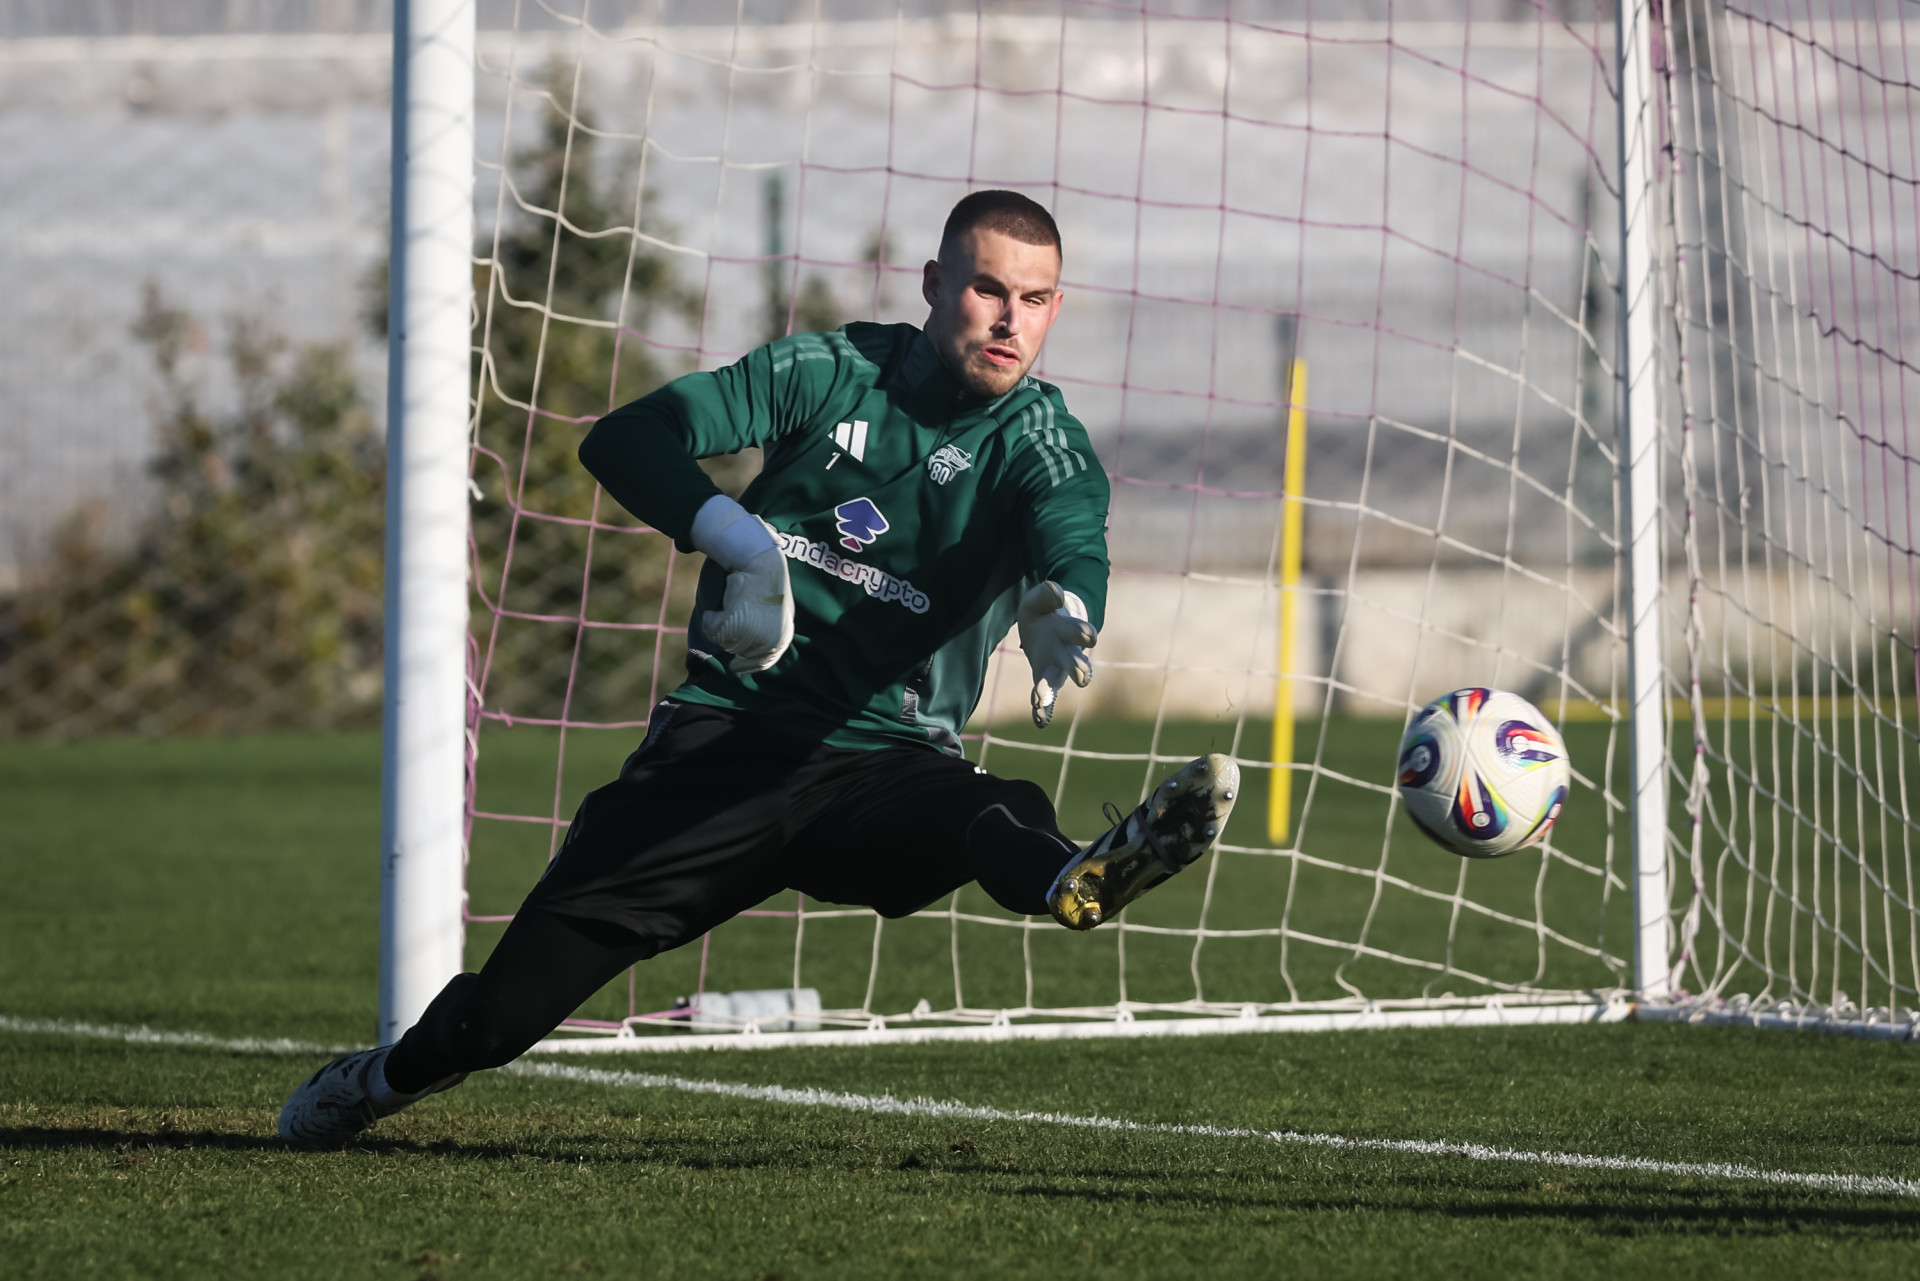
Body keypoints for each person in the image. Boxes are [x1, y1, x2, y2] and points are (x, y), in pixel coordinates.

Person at [278, 190, 1239, 1143]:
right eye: (988, 289)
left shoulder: (1040, 439)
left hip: (883, 764)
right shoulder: (831, 372)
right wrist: (737, 539)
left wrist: (1071, 603)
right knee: (495, 1022)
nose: (1008, 321)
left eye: (1033, 300)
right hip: (722, 745)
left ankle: (1078, 874)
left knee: (993, 811)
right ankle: (380, 1080)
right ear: (934, 283)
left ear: (1056, 309)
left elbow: (1073, 532)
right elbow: (626, 437)